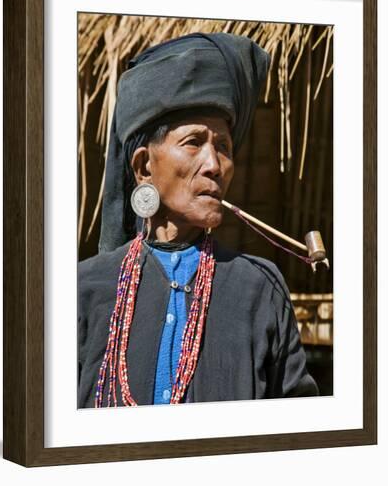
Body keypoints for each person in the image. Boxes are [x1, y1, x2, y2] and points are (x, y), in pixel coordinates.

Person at [78, 32, 319, 408]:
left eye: (223, 146)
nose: (215, 165)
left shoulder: (260, 289)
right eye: (194, 142)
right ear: (144, 167)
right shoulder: (85, 288)